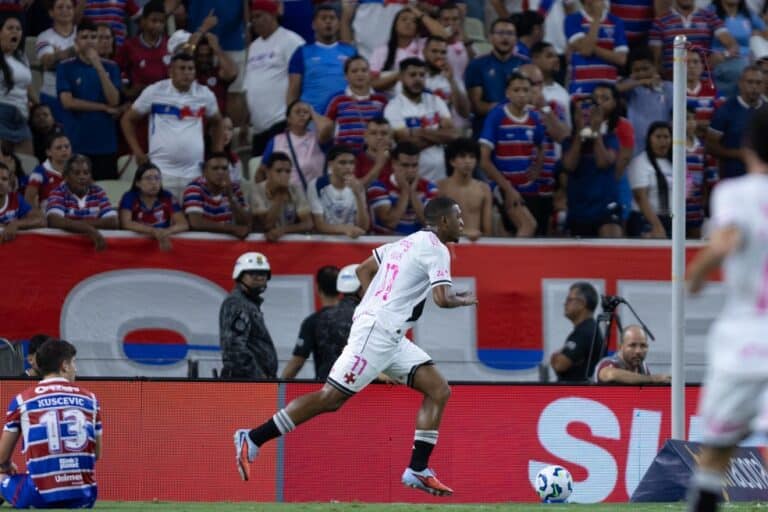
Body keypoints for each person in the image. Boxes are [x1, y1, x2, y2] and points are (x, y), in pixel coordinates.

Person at [233, 196, 478, 498]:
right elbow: (442, 298)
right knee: (330, 399)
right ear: (443, 222)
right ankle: (253, 438)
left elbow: (363, 270)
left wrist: (372, 305)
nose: (462, 223)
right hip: (377, 332)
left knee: (439, 389)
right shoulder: (438, 249)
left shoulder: (404, 243)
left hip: (390, 335)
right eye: (458, 217)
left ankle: (417, 468)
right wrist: (463, 299)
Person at [685, 107, 768, 512]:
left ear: (748, 145)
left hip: (745, 341)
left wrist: (696, 276)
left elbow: (726, 242)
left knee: (717, 451)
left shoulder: (735, 194)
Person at [0, 339, 101, 509]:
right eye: (74, 362)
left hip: (39, 497)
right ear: (64, 366)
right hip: (85, 497)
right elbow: (96, 454)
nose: (76, 368)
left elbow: (1, 458)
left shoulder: (22, 400)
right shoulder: (91, 399)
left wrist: (7, 467)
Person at [121, 52, 224, 199]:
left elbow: (218, 122)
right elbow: (127, 120)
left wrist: (217, 154)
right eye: (182, 68)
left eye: (190, 69)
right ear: (171, 72)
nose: (187, 73)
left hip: (194, 173)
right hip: (161, 172)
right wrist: (137, 151)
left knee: (193, 220)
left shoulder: (205, 94)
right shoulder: (154, 91)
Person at [479, 72, 542, 237]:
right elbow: (484, 161)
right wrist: (507, 188)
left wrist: (537, 167)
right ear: (508, 93)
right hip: (503, 187)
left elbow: (541, 145)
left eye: (525, 90)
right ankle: (519, 262)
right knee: (528, 225)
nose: (521, 94)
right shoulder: (497, 116)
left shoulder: (534, 118)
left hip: (528, 188)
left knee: (507, 233)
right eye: (516, 90)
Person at [57, 19, 122, 180]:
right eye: (84, 37)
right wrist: (102, 107)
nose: (90, 41)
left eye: (93, 37)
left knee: (105, 194)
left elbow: (114, 101)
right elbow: (68, 102)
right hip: (77, 142)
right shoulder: (65, 67)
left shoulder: (111, 67)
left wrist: (98, 66)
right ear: (76, 41)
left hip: (105, 145)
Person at [244, 0, 305, 157]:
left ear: (272, 15)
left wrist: (293, 116)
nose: (254, 21)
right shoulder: (253, 47)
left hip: (281, 122)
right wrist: (245, 122)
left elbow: (300, 79)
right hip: (258, 127)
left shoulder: (292, 41)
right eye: (253, 17)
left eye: (259, 16)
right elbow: (249, 85)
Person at [384, 58, 456, 183]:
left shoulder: (436, 101)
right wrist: (438, 135)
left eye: (422, 75)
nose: (417, 79)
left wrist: (418, 131)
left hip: (440, 177)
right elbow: (406, 145)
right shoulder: (393, 107)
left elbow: (452, 135)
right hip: (409, 180)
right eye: (412, 75)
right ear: (401, 77)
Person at [286, 5, 357, 114]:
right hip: (312, 119)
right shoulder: (301, 52)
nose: (328, 21)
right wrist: (291, 117)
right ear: (314, 25)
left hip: (345, 116)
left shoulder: (351, 52)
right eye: (323, 18)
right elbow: (293, 91)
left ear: (338, 24)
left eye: (332, 18)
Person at [220, 252, 278, 380]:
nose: (260, 278)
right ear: (240, 275)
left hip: (251, 382)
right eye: (253, 273)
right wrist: (259, 377)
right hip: (245, 383)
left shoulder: (248, 304)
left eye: (263, 274)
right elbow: (234, 348)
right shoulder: (237, 303)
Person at [465, 18, 527, 135]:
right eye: (500, 33)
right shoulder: (477, 65)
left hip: (519, 128)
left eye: (510, 33)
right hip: (487, 129)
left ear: (516, 38)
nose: (505, 37)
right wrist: (510, 108)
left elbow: (531, 99)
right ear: (490, 37)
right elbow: (476, 106)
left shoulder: (525, 64)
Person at [45, 154, 118, 251]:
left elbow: (113, 221)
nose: (82, 177)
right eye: (77, 173)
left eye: (86, 173)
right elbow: (54, 220)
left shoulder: (97, 191)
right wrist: (89, 230)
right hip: (66, 249)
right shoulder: (58, 192)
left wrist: (76, 225)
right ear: (66, 176)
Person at [281, 265, 341, 379]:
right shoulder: (356, 317)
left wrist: (279, 386)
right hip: (357, 387)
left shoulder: (313, 322)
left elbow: (297, 362)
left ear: (317, 288)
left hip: (326, 388)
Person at [369, 6, 448, 92]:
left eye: (413, 21)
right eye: (404, 19)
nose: (408, 23)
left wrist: (420, 14)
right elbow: (371, 84)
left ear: (417, 28)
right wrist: (399, 75)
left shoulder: (424, 45)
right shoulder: (381, 51)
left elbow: (444, 36)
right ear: (395, 25)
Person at [319, 56, 388, 154]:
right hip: (346, 158)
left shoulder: (381, 100)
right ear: (345, 76)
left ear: (370, 74)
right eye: (354, 71)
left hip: (373, 156)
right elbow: (325, 133)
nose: (360, 74)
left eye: (364, 70)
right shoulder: (337, 99)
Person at [707, 65, 765, 180]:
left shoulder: (766, 111)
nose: (754, 87)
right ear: (740, 83)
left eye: (758, 83)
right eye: (750, 82)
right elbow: (710, 145)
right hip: (733, 179)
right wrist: (738, 154)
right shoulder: (725, 110)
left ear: (764, 85)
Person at [368, 141, 438, 235]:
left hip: (418, 245)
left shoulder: (430, 188)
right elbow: (390, 223)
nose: (410, 170)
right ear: (394, 164)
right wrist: (405, 191)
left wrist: (412, 192)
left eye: (414, 165)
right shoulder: (378, 187)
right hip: (387, 244)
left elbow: (430, 223)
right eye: (405, 165)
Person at [565, 0, 628, 101]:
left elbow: (621, 59)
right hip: (581, 90)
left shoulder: (616, 21)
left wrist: (585, 45)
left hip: (608, 91)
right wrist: (597, 18)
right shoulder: (572, 20)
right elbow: (586, 51)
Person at [118, 161, 189, 251]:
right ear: (138, 183)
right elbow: (126, 223)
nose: (154, 182)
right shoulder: (130, 197)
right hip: (135, 247)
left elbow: (183, 224)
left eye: (157, 178)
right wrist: (153, 231)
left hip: (162, 243)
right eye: (148, 178)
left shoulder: (167, 196)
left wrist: (165, 232)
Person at [257, 100, 325, 191]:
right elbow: (261, 171)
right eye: (297, 112)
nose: (302, 115)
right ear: (288, 118)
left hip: (316, 196)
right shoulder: (276, 141)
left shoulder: (318, 138)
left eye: (306, 112)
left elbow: (326, 128)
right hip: (289, 197)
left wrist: (313, 113)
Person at [182, 151, 250, 239]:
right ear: (204, 171)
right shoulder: (194, 188)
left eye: (224, 168)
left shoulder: (234, 189)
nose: (220, 172)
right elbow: (196, 223)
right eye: (215, 168)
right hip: (201, 243)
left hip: (228, 244)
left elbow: (246, 222)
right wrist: (232, 228)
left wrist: (230, 195)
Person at [307, 145, 370, 238]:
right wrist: (345, 229)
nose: (348, 167)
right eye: (342, 163)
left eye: (351, 163)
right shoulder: (316, 185)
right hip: (324, 242)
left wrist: (357, 194)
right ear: (330, 164)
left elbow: (363, 227)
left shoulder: (358, 186)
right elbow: (319, 224)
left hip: (351, 241)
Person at [438, 137, 492, 241]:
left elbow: (488, 230)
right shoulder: (440, 188)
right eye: (462, 156)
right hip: (448, 245)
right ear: (452, 161)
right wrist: (463, 233)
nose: (468, 161)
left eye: (472, 157)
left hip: (476, 246)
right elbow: (435, 225)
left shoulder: (484, 189)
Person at [114, 0, 169, 102]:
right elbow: (116, 71)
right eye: (153, 21)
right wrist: (126, 91)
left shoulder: (170, 44)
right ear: (143, 21)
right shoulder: (129, 46)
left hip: (166, 100)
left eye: (161, 21)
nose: (157, 25)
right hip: (138, 101)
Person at [251, 151, 313, 241]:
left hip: (286, 241)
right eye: (279, 171)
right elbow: (267, 226)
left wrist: (284, 230)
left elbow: (308, 223)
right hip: (262, 242)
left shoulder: (296, 190)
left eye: (288, 171)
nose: (284, 175)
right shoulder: (257, 190)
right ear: (268, 172)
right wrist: (280, 196)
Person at [549, 282, 605, 382]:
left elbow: (559, 365)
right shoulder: (589, 329)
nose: (565, 303)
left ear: (582, 303)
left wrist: (555, 357)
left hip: (578, 394)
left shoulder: (584, 332)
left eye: (569, 299)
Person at [627, 122, 673, 238]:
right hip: (646, 220)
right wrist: (656, 225)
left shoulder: (675, 163)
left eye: (666, 137)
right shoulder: (640, 162)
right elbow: (640, 197)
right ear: (649, 139)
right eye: (658, 137)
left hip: (670, 219)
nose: (662, 141)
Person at [35, 0, 76, 123]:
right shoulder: (44, 36)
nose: (65, 10)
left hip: (79, 95)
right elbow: (47, 62)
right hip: (52, 96)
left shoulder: (81, 34)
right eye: (60, 7)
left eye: (69, 7)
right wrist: (75, 51)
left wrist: (58, 56)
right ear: (51, 13)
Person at [594, 325, 671, 384]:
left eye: (643, 346)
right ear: (620, 347)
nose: (638, 351)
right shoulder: (608, 363)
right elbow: (611, 374)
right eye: (632, 345)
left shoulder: (642, 366)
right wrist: (652, 379)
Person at [0, 15, 32, 155]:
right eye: (10, 28)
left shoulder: (21, 56)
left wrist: (37, 104)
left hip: (21, 115)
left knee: (27, 163)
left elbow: (27, 86)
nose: (15, 32)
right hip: (2, 113)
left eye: (18, 29)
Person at [24, 133, 71, 209]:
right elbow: (29, 198)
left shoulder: (76, 168)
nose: (64, 150)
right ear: (48, 152)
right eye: (59, 148)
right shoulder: (40, 172)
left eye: (67, 146)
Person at [0, 162, 42, 242]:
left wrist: (16, 224)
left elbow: (41, 220)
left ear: (9, 183)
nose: (0, 183)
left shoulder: (15, 198)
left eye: (4, 179)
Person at [354, 116, 394, 187]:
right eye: (373, 133)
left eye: (384, 133)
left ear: (391, 138)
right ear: (365, 137)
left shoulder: (398, 159)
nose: (379, 137)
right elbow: (353, 190)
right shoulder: (354, 159)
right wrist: (379, 164)